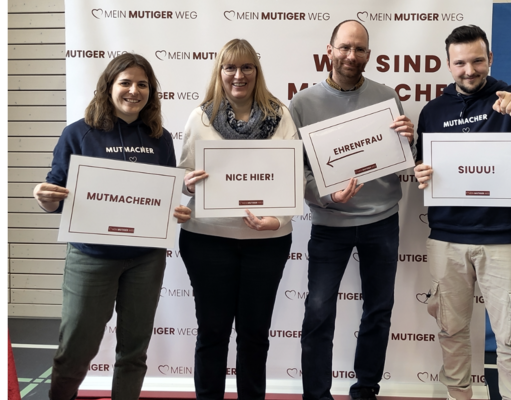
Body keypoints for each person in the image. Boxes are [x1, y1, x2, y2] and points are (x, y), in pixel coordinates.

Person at [414, 25, 511, 400]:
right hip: (446, 239)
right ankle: (458, 395)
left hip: (502, 239)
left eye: (477, 61)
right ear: (448, 64)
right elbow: (422, 163)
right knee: (450, 330)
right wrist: (421, 172)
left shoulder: (509, 98)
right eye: (460, 63)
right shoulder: (433, 111)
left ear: (490, 58)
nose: (469, 70)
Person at [33, 53, 192, 400]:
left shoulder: (160, 137)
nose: (134, 90)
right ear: (108, 87)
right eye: (126, 82)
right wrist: (44, 197)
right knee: (75, 349)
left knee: (134, 351)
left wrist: (174, 212)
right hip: (91, 258)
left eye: (142, 84)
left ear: (151, 92)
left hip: (145, 260)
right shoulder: (78, 133)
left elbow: (164, 196)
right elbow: (54, 194)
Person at [288, 20, 415, 400]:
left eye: (359, 49)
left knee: (378, 309)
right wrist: (327, 196)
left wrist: (410, 140)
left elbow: (405, 159)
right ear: (329, 51)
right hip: (329, 224)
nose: (351, 55)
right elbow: (295, 171)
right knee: (318, 313)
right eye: (344, 47)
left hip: (382, 221)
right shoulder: (302, 104)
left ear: (368, 55)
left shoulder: (387, 97)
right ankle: (316, 395)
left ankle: (366, 391)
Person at [177, 38, 299, 400]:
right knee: (212, 333)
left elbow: (292, 180)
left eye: (247, 67)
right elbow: (182, 178)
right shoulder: (200, 117)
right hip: (207, 241)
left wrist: (277, 221)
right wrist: (187, 183)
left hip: (266, 244)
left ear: (257, 72)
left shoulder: (281, 116)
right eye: (229, 67)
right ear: (220, 72)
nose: (238, 75)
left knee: (254, 335)